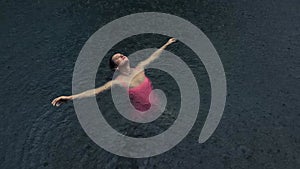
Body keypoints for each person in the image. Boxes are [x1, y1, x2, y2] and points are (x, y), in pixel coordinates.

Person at [51, 38, 176, 110]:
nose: (121, 55)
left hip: (155, 99)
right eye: (118, 58)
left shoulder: (140, 67)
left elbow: (154, 56)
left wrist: (167, 43)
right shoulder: (118, 82)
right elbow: (93, 92)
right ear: (116, 68)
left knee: (168, 114)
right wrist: (68, 98)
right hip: (141, 109)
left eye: (121, 54)